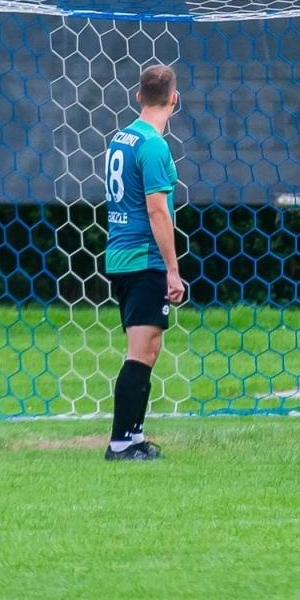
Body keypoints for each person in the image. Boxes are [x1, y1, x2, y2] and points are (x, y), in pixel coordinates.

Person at [102, 64, 184, 461]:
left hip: (121, 254)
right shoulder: (153, 145)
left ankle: (134, 437)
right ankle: (122, 442)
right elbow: (157, 212)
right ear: (174, 99)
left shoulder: (121, 138)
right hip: (144, 257)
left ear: (138, 96)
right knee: (141, 350)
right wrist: (172, 269)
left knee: (148, 347)